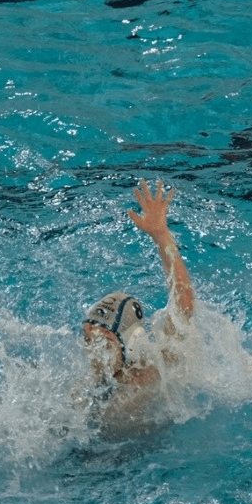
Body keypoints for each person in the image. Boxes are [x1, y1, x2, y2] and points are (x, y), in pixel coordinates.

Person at [80, 180, 197, 431]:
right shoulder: (87, 387)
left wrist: (161, 236)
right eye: (88, 340)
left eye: (103, 343)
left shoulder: (155, 372)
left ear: (128, 342)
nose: (94, 353)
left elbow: (183, 306)